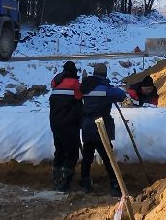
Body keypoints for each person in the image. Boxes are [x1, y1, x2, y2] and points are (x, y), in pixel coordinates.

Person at [78, 61, 126, 194]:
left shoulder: (86, 87)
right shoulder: (104, 89)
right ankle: (115, 185)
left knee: (87, 156)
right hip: (100, 127)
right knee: (108, 156)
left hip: (87, 126)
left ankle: (85, 183)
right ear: (105, 74)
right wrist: (109, 86)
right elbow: (121, 96)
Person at [47, 61, 84, 193]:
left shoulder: (56, 82)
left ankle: (56, 181)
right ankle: (64, 183)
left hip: (55, 123)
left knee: (59, 151)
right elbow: (80, 96)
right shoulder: (74, 84)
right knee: (71, 153)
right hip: (69, 124)